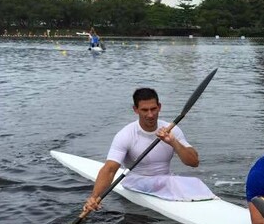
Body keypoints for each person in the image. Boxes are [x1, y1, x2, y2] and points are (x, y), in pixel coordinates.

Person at [83, 88, 211, 214]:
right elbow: (110, 169)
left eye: (153, 109)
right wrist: (94, 197)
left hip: (165, 181)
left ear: (159, 107)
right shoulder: (126, 135)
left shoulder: (172, 130)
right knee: (178, 183)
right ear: (135, 110)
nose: (150, 115)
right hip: (137, 183)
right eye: (144, 110)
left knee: (195, 182)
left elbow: (194, 162)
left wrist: (173, 142)